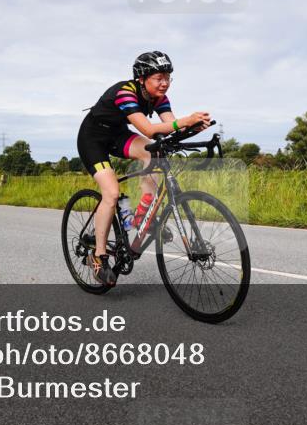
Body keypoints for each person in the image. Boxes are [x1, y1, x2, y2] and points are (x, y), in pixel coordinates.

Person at [76, 51, 211, 286]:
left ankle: (141, 217)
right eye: (159, 77)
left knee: (156, 154)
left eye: (168, 77)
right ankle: (98, 256)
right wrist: (186, 120)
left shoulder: (160, 98)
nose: (165, 82)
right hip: (93, 138)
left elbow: (171, 127)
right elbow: (149, 130)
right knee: (111, 192)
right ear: (142, 78)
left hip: (118, 135)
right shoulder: (125, 92)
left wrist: (193, 128)